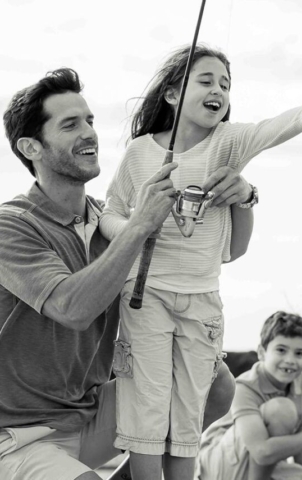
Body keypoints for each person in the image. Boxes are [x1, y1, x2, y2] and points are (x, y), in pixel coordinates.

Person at [98, 44, 302, 480]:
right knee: (147, 405)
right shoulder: (140, 153)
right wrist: (137, 226)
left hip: (203, 301)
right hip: (146, 295)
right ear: (174, 95)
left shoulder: (230, 143)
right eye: (206, 80)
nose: (218, 90)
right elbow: (109, 213)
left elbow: (273, 129)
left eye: (225, 84)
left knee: (188, 411)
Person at [0, 68, 241, 480]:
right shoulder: (12, 225)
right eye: (70, 124)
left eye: (90, 120)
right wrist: (141, 224)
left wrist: (242, 197)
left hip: (91, 414)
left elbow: (224, 253)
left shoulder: (109, 219)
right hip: (21, 435)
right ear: (31, 147)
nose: (89, 133)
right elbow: (72, 307)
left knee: (215, 382)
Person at [196, 311, 302, 480]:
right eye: (281, 350)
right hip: (219, 466)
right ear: (262, 353)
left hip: (262, 466)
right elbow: (261, 452)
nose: (290, 360)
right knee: (281, 409)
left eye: (299, 353)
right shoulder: (244, 388)